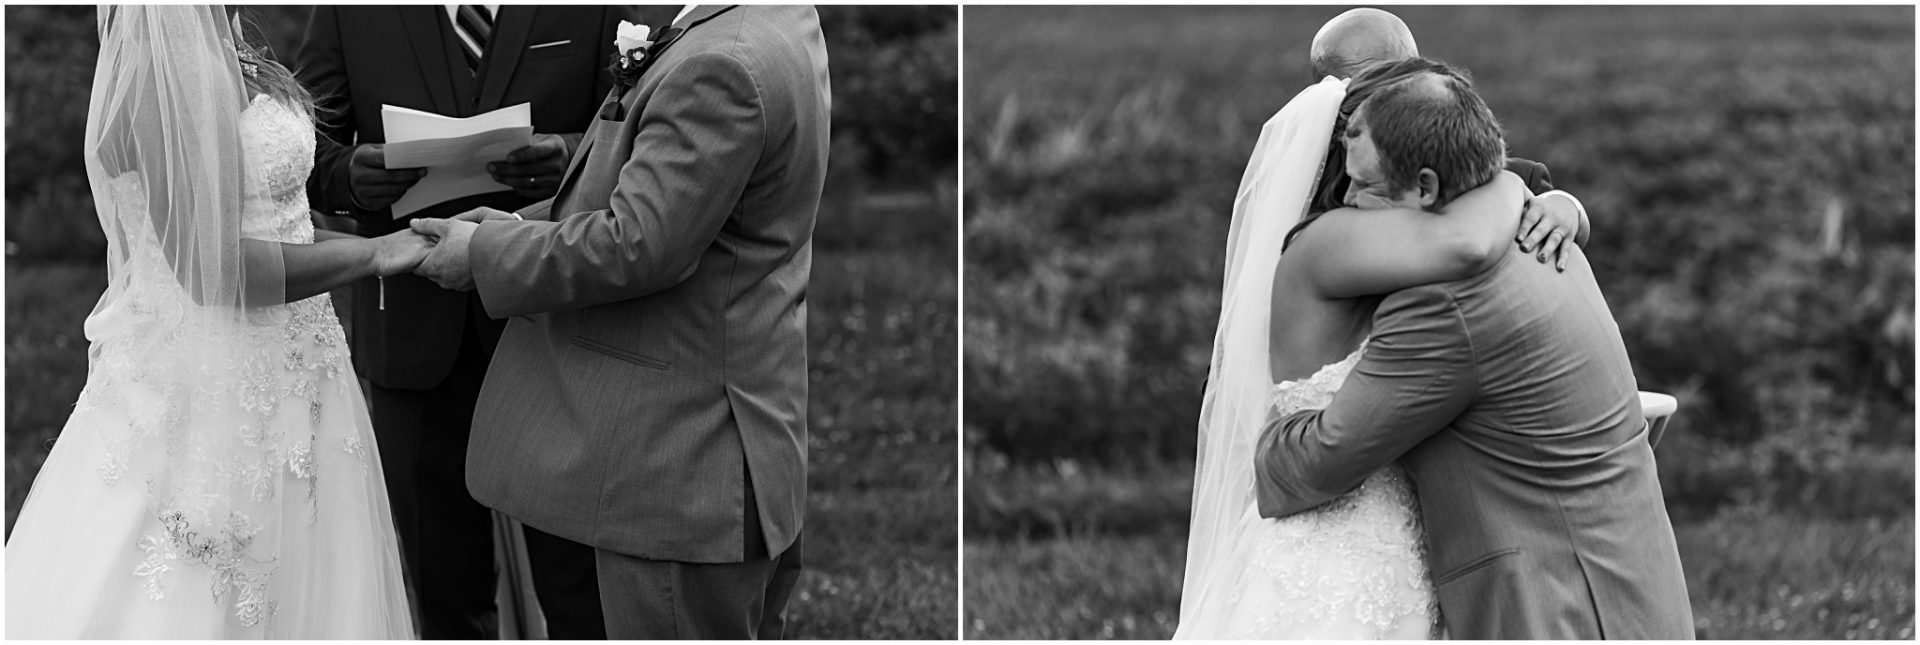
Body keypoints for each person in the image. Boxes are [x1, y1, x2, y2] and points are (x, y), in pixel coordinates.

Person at [5, 6, 428, 637]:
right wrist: (376, 254)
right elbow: (214, 272)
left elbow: (276, 206)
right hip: (213, 390)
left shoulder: (228, 37)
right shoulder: (164, 59)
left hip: (302, 373)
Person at [407, 5, 828, 638]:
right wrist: (517, 228)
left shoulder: (719, 63)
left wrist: (484, 257)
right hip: (729, 434)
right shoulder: (779, 17)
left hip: (677, 467)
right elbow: (662, 199)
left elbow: (640, 244)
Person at [1251, 59, 1694, 638]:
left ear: (1427, 187)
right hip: (1631, 581)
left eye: (1362, 185)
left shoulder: (1443, 305)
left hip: (1555, 604)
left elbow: (1316, 465)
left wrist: (1261, 445)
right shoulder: (1539, 232)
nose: (1348, 203)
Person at [1176, 56, 1569, 638]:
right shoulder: (1338, 235)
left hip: (1394, 503)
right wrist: (1519, 188)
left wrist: (1564, 204)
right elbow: (1468, 238)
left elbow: (1483, 187)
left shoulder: (1381, 199)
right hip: (1335, 496)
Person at [295, 5, 640, 638]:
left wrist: (567, 155)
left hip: (554, 327)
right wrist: (350, 177)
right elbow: (301, 148)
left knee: (579, 588)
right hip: (413, 329)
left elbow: (639, 130)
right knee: (442, 590)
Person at [1312, 7, 1591, 268]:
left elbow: (1565, 235)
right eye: (1358, 96)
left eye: (1393, 83)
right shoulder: (1327, 186)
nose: (1378, 105)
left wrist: (1567, 206)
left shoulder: (1513, 176)